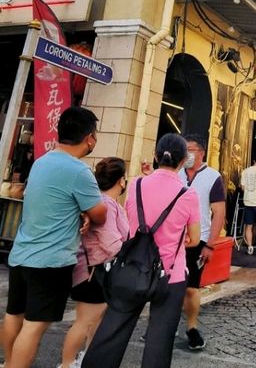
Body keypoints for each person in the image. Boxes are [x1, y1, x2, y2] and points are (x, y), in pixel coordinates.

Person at [82, 134, 200, 368]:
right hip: (170, 275)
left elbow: (135, 220)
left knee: (112, 332)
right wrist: (177, 239)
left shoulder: (135, 184)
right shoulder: (188, 195)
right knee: (159, 341)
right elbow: (194, 239)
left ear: (156, 156)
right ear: (183, 160)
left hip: (132, 268)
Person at [3, 107, 106, 368]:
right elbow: (101, 214)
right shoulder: (79, 171)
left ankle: (8, 362)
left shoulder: (41, 161)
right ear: (89, 138)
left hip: (21, 254)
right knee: (33, 327)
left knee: (14, 316)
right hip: (50, 262)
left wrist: (78, 211)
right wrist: (86, 212)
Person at [61, 157, 129, 368]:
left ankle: (85, 360)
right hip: (93, 272)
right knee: (85, 322)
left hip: (96, 271)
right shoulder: (105, 204)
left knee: (94, 323)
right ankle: (67, 364)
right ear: (121, 180)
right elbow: (112, 244)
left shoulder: (105, 202)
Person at [178, 133, 226, 352]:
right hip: (171, 239)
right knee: (165, 286)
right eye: (183, 149)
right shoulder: (175, 172)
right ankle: (162, 325)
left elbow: (218, 213)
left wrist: (210, 244)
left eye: (191, 149)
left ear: (202, 152)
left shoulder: (213, 177)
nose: (186, 154)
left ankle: (191, 327)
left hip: (197, 241)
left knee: (191, 287)